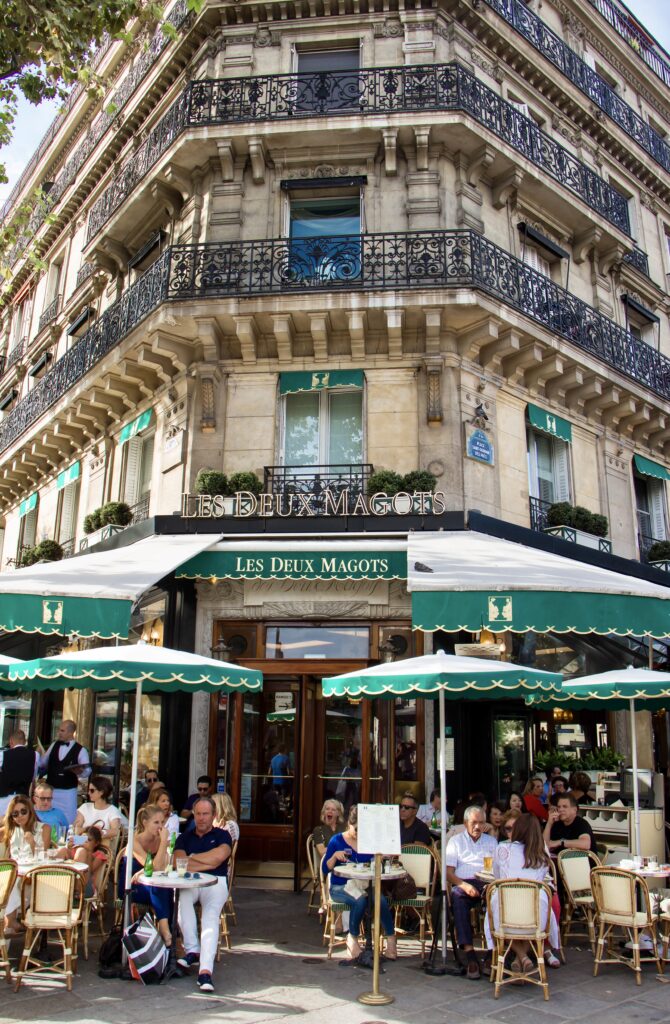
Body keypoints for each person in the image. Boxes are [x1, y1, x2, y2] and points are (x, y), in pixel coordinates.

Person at [485, 813, 561, 972]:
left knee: (500, 915)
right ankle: (523, 958)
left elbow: (498, 877)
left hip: (507, 913)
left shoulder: (503, 848)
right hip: (533, 917)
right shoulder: (542, 853)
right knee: (531, 919)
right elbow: (541, 879)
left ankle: (520, 957)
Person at [323, 804, 397, 961]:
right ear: (349, 824)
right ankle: (353, 939)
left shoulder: (368, 842)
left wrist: (383, 856)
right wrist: (335, 856)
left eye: (362, 830)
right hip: (340, 886)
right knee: (360, 901)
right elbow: (324, 869)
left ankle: (391, 940)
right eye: (356, 829)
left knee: (381, 900)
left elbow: (376, 862)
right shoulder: (336, 840)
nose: (358, 834)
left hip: (364, 885)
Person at [175, 796, 233, 993]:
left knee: (210, 918)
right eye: (198, 814)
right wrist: (205, 861)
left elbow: (219, 858)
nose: (201, 818)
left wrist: (192, 859)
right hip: (191, 881)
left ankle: (205, 970)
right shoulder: (185, 836)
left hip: (215, 882)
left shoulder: (223, 835)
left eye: (205, 814)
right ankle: (192, 949)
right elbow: (178, 863)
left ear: (213, 815)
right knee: (182, 899)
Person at [445, 804, 498, 979]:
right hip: (463, 883)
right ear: (466, 822)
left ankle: (492, 953)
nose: (478, 827)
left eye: (481, 823)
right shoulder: (456, 841)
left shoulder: (490, 842)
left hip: (485, 882)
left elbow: (493, 869)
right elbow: (449, 873)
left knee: (497, 900)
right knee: (457, 898)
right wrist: (464, 886)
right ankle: (469, 953)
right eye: (474, 822)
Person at [120, 806, 173, 946]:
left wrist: (144, 871)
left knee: (165, 889)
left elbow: (161, 869)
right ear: (145, 823)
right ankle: (167, 933)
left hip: (150, 885)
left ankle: (168, 932)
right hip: (131, 887)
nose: (160, 827)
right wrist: (163, 843)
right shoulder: (134, 841)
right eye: (156, 823)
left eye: (162, 822)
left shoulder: (159, 840)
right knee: (158, 887)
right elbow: (154, 867)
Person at [1, 795, 51, 934]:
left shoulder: (44, 828)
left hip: (34, 875)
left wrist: (32, 843)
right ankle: (9, 925)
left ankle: (9, 924)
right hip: (16, 873)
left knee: (9, 882)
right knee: (8, 880)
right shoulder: (11, 829)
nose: (20, 816)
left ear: (30, 811)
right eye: (15, 814)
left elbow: (43, 857)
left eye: (23, 811)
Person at [39, 720, 90, 825]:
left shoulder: (80, 750)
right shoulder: (54, 745)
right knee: (49, 819)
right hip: (51, 791)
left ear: (71, 733)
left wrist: (80, 772)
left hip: (68, 792)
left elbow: (88, 771)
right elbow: (43, 762)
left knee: (69, 820)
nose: (59, 733)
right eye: (59, 730)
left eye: (62, 731)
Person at [57, 825, 108, 897]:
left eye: (89, 840)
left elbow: (90, 870)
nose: (85, 841)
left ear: (96, 843)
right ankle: (53, 882)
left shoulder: (99, 855)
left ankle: (75, 891)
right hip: (67, 883)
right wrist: (68, 847)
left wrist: (89, 852)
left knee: (81, 851)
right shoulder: (74, 850)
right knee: (62, 850)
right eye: (83, 839)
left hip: (86, 887)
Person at [0, 731, 39, 817]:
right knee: (20, 824)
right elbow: (33, 776)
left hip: (4, 797)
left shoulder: (3, 754)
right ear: (25, 742)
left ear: (11, 741)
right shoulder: (35, 755)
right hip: (23, 797)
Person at [74, 775, 123, 841]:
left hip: (100, 844)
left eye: (92, 790)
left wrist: (99, 833)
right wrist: (91, 829)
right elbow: (77, 830)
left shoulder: (112, 810)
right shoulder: (85, 807)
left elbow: (115, 831)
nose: (88, 793)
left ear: (101, 792)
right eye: (88, 790)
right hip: (83, 841)